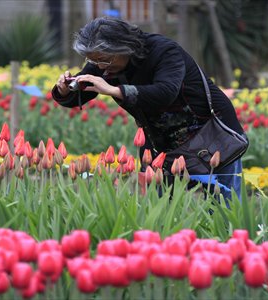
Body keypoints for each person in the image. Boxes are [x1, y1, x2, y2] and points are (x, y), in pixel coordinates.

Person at [52, 16, 246, 200]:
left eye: (104, 60)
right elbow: (85, 90)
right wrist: (64, 91)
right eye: (93, 61)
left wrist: (115, 90)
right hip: (160, 142)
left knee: (224, 205)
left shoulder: (164, 51)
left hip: (209, 136)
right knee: (160, 207)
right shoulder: (105, 62)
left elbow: (165, 92)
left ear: (124, 48)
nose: (101, 68)